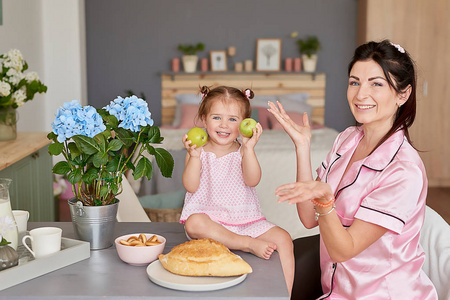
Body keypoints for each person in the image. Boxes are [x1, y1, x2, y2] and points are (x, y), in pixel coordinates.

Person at [268, 40, 438, 299]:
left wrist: (326, 200)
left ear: (403, 94)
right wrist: (302, 147)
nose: (360, 95)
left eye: (376, 84)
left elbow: (342, 250)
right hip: (336, 290)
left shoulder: (403, 170)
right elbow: (308, 218)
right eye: (354, 82)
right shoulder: (346, 139)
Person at [180, 85, 294, 295]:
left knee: (284, 238)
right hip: (211, 224)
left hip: (245, 221)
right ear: (204, 120)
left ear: (243, 125)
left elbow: (253, 180)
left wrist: (249, 149)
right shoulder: (198, 151)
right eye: (217, 118)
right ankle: (247, 245)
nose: (224, 125)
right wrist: (194, 158)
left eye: (232, 119)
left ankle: (286, 295)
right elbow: (190, 186)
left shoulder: (243, 151)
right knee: (194, 222)